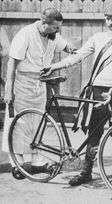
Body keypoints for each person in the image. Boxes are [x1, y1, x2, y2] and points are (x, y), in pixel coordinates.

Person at [40, 3, 112, 187]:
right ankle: (86, 172)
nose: (110, 21)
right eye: (107, 18)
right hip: (97, 92)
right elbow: (77, 56)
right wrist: (54, 66)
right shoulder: (97, 37)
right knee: (94, 133)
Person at [2, 8, 75, 180]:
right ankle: (16, 162)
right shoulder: (25, 34)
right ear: (44, 23)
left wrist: (75, 50)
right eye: (55, 27)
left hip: (40, 84)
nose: (57, 31)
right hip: (22, 84)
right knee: (18, 123)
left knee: (37, 123)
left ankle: (34, 160)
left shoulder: (53, 36)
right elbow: (11, 64)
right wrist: (8, 91)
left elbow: (68, 47)